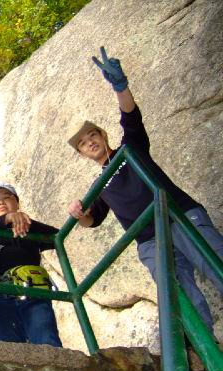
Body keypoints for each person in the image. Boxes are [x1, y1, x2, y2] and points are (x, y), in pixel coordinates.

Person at [67, 47, 223, 331]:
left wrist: (120, 87)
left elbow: (131, 117)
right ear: (81, 154)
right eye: (83, 143)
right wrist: (79, 214)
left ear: (103, 135)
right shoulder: (99, 186)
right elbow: (93, 219)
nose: (90, 142)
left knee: (215, 262)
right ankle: (204, 346)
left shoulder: (130, 149)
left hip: (178, 215)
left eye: (93, 135)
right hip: (150, 240)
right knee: (177, 294)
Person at [0, 184, 62, 346]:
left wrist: (26, 222)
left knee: (46, 340)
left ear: (17, 203)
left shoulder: (29, 228)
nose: (1, 202)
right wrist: (5, 219)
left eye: (7, 197)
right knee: (7, 347)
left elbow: (57, 237)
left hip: (31, 286)